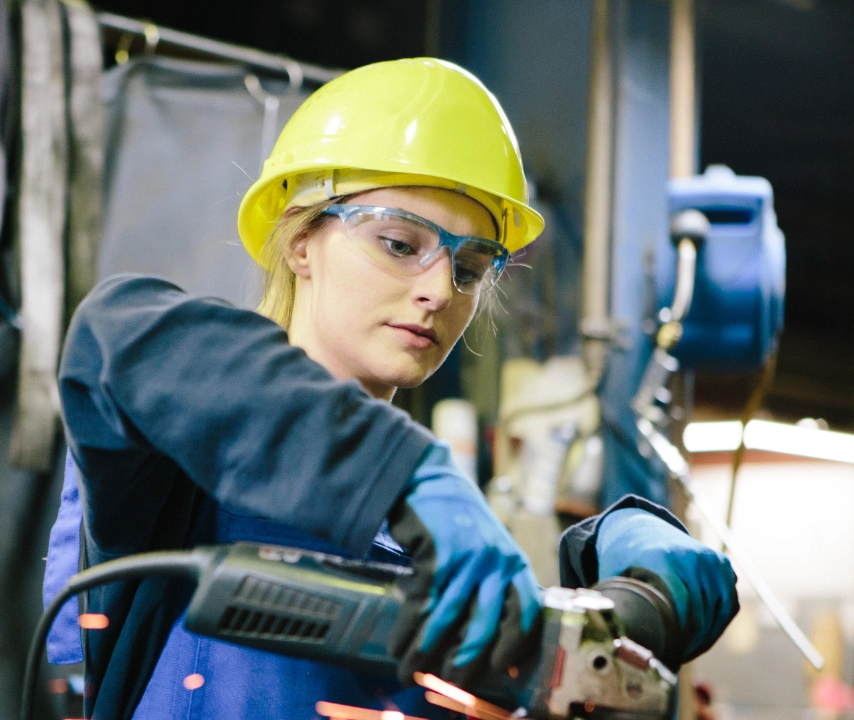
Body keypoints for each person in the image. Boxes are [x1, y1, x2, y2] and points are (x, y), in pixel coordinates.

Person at [42, 58, 738, 720]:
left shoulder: (439, 541)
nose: (438, 290)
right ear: (300, 241)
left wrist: (613, 581)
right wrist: (405, 473)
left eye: (469, 267)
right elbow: (114, 335)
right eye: (399, 244)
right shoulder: (181, 451)